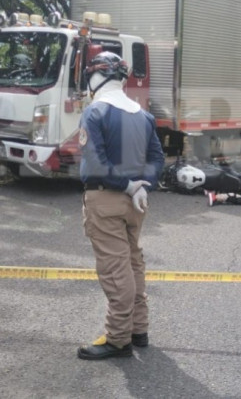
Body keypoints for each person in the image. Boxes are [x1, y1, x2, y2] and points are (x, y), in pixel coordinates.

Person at [77, 51, 164, 361]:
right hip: (136, 203)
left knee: (116, 270)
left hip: (106, 199)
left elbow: (97, 165)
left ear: (95, 77)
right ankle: (139, 330)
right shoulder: (144, 115)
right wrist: (143, 186)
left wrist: (127, 185)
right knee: (134, 263)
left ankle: (117, 339)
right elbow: (157, 159)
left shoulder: (95, 112)